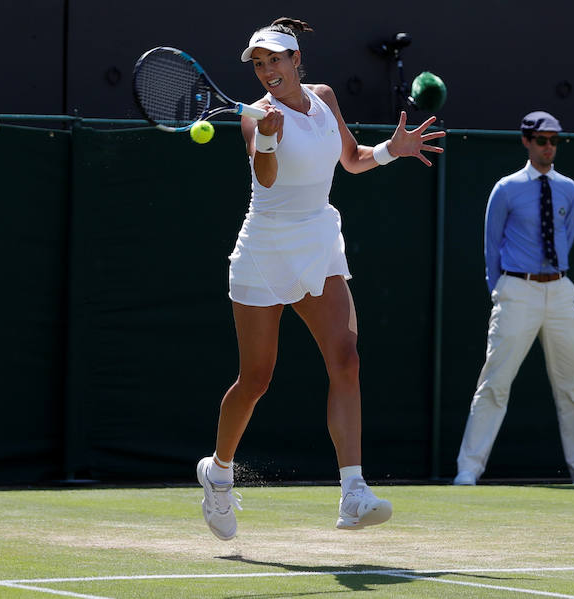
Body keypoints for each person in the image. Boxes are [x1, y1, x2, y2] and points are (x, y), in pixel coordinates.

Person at [195, 17, 445, 540]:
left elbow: (351, 160)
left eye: (276, 60)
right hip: (265, 250)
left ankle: (353, 491)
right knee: (256, 378)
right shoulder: (255, 118)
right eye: (259, 64)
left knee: (346, 359)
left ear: (296, 60)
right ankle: (218, 472)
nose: (268, 71)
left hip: (318, 243)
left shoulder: (325, 97)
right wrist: (266, 140)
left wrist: (390, 151)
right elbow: (265, 176)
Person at [452, 111, 574, 487]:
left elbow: (567, 235)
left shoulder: (569, 189)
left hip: (560, 290)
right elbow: (491, 245)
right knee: (495, 382)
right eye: (542, 140)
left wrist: (553, 278)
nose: (549, 147)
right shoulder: (506, 188)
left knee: (573, 383)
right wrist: (500, 290)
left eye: (554, 141)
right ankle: (469, 468)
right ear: (526, 141)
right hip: (517, 289)